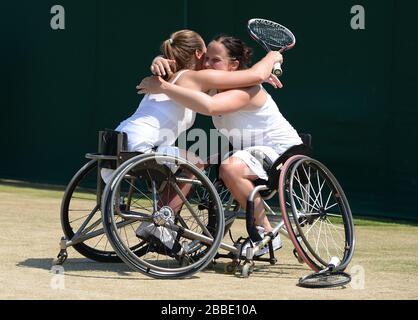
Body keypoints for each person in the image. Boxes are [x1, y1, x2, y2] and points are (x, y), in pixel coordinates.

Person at [110, 30, 283, 253]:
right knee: (195, 164)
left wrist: (157, 60)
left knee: (189, 161)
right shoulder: (192, 77)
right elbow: (253, 77)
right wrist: (272, 58)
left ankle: (162, 221)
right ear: (199, 53)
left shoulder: (170, 74)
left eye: (215, 58)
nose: (209, 61)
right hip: (142, 145)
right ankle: (163, 223)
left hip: (120, 138)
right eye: (207, 56)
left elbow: (231, 84)